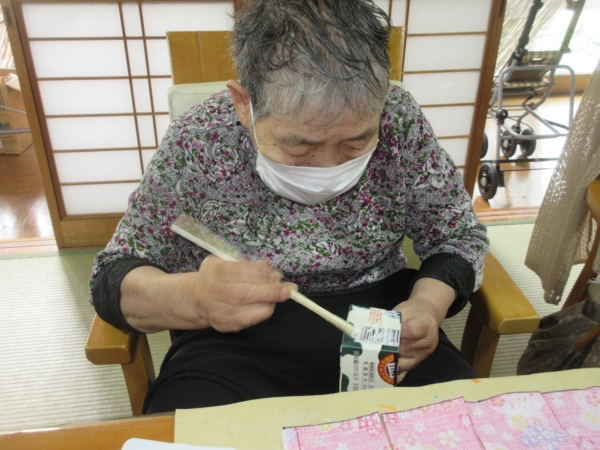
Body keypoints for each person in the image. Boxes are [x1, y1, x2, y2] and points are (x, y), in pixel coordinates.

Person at [90, 0, 489, 414]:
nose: (329, 167)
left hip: (381, 330)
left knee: (466, 426)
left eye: (355, 142)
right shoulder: (200, 139)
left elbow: (457, 235)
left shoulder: (399, 120)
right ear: (243, 103)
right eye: (300, 146)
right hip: (232, 344)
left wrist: (427, 305)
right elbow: (113, 278)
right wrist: (194, 297)